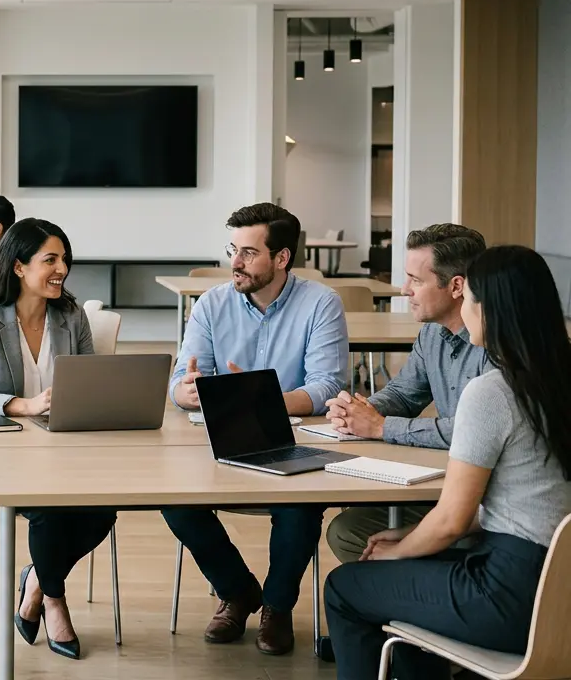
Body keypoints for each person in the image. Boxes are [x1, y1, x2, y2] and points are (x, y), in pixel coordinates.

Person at [325, 245, 571, 680]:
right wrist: (407, 535)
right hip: (558, 593)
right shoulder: (556, 380)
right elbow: (529, 499)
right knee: (406, 579)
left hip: (508, 596)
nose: (465, 307)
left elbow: (452, 522)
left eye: (470, 297)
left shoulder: (493, 391)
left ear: (490, 309)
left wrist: (395, 553)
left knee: (344, 587)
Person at [162, 203, 348, 656]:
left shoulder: (321, 303)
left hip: (290, 439)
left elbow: (327, 386)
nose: (236, 262)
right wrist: (185, 391)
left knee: (300, 508)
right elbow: (180, 381)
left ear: (281, 258)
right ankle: (238, 591)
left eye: (248, 252)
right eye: (233, 250)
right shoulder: (211, 304)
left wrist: (259, 400)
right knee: (173, 500)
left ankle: (277, 608)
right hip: (216, 440)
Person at [0, 218, 108, 660]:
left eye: (65, 260)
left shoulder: (71, 316)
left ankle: (36, 581)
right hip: (2, 451)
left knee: (104, 508)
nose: (62, 270)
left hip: (65, 449)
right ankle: (53, 600)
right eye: (50, 260)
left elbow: (91, 383)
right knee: (51, 508)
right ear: (19, 267)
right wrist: (23, 404)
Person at [323, 224, 489, 562]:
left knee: (352, 540)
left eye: (416, 280)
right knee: (347, 529)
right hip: (450, 484)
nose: (403, 289)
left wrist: (381, 427)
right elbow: (404, 394)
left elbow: (470, 431)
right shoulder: (432, 333)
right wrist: (359, 410)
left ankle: (427, 580)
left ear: (456, 286)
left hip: (489, 499)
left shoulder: (497, 345)